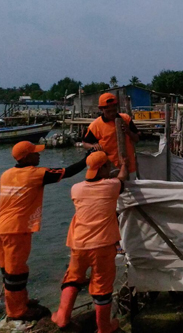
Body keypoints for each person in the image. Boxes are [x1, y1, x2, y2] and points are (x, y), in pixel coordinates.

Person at [0, 141, 87, 321]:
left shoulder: (7, 174)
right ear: (26, 157)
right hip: (16, 230)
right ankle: (16, 311)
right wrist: (88, 159)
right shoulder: (35, 174)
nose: (39, 155)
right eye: (35, 153)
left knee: (7, 270)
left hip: (2, 226)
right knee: (16, 272)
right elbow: (67, 172)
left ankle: (20, 301)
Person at [52, 151, 127, 332]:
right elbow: (123, 178)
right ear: (103, 168)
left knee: (73, 278)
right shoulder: (112, 186)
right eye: (108, 165)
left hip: (78, 243)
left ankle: (62, 316)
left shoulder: (76, 188)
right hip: (103, 244)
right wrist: (124, 164)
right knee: (102, 285)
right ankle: (104, 327)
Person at [83, 92, 139, 178]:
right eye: (108, 111)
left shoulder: (126, 119)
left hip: (129, 167)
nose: (112, 113)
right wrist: (93, 146)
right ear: (101, 109)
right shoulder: (95, 125)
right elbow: (85, 143)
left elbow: (137, 139)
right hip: (110, 169)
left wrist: (128, 131)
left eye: (114, 110)